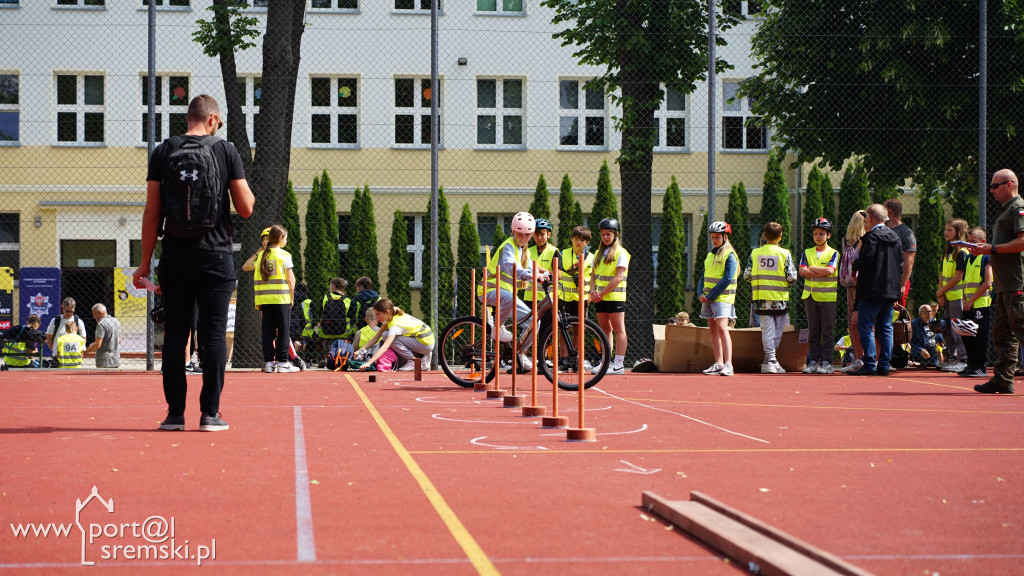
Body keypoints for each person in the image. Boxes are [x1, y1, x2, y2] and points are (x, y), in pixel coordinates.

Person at [133, 94, 256, 432]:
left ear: (189, 118)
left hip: (174, 256)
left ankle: (174, 415)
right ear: (214, 119)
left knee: (175, 334)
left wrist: (145, 263)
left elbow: (152, 212)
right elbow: (246, 208)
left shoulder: (164, 151)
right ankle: (210, 414)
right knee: (213, 335)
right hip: (216, 255)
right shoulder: (225, 150)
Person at [965, 169, 1023, 394]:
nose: (991, 191)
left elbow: (1023, 241)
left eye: (995, 186)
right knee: (1002, 334)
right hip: (1004, 285)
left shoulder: (1018, 208)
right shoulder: (1005, 210)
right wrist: (984, 251)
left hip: (1015, 283)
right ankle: (1003, 379)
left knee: (1020, 329)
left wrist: (993, 249)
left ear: (1009, 185)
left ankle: (1003, 378)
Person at [477, 212, 549, 369]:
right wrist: (530, 276)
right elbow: (512, 268)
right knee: (509, 298)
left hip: (506, 294)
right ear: (513, 231)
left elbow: (530, 266)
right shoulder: (508, 246)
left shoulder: (523, 249)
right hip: (488, 289)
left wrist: (547, 274)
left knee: (533, 322)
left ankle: (520, 354)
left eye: (527, 234)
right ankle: (497, 328)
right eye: (520, 234)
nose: (523, 237)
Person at [850, 204, 904, 376]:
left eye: (866, 219)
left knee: (865, 325)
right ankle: (884, 365)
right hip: (889, 290)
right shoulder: (895, 237)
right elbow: (900, 264)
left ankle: (869, 363)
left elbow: (866, 259)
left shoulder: (871, 237)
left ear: (871, 218)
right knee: (886, 327)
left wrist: (854, 265)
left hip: (871, 289)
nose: (866, 221)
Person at [744, 221, 797, 374]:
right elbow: (792, 277)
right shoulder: (784, 253)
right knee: (778, 331)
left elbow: (747, 275)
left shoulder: (755, 253)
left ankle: (769, 360)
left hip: (761, 298)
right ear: (780, 237)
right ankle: (771, 361)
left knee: (767, 330)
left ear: (765, 236)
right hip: (780, 298)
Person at [253, 224, 299, 373]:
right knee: (284, 330)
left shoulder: (260, 255)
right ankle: (283, 362)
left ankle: (269, 363)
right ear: (280, 238)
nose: (286, 241)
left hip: (264, 299)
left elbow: (249, 268)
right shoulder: (284, 255)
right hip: (281, 298)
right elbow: (291, 279)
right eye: (285, 238)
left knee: (268, 331)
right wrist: (291, 296)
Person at [589, 218, 630, 375]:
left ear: (616, 234)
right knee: (605, 330)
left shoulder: (621, 253)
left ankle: (618, 364)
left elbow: (618, 277)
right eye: (603, 234)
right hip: (600, 298)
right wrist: (593, 290)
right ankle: (605, 362)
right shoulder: (598, 253)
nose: (606, 237)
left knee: (619, 329)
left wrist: (601, 293)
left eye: (609, 234)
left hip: (615, 298)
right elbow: (593, 275)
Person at [800, 218, 840, 374]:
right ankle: (813, 363)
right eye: (816, 233)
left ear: (828, 235)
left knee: (827, 331)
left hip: (827, 298)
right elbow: (802, 271)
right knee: (814, 331)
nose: (818, 236)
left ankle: (827, 363)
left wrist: (811, 268)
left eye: (822, 234)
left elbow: (830, 271)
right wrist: (819, 272)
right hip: (810, 297)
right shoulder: (807, 252)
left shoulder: (833, 253)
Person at [699, 221, 738, 376]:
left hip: (723, 298)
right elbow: (703, 276)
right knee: (713, 329)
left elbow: (727, 278)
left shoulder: (730, 255)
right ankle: (719, 363)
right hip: (708, 298)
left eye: (717, 237)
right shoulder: (710, 255)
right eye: (713, 237)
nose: (714, 240)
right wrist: (700, 293)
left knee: (722, 327)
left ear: (725, 237)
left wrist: (711, 295)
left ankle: (729, 364)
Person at [354, 298, 435, 372]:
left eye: (378, 314)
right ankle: (425, 357)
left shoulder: (395, 326)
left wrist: (369, 363)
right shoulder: (393, 313)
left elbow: (385, 347)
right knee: (385, 334)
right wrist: (361, 349)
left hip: (425, 344)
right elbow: (376, 337)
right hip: (426, 340)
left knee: (386, 336)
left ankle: (414, 361)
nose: (376, 317)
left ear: (387, 312)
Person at [936, 218, 970, 372]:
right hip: (947, 296)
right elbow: (942, 274)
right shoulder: (947, 250)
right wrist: (941, 294)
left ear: (959, 232)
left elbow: (958, 277)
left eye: (950, 230)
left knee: (958, 327)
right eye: (945, 229)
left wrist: (941, 291)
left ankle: (963, 359)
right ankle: (952, 356)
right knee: (946, 328)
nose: (946, 233)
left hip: (957, 296)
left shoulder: (962, 252)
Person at [958, 226, 993, 378]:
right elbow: (965, 281)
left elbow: (987, 283)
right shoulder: (967, 258)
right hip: (968, 304)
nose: (971, 246)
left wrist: (971, 300)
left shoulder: (986, 258)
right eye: (969, 242)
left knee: (980, 336)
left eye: (974, 243)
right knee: (965, 334)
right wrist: (965, 300)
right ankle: (971, 364)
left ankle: (980, 366)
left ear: (983, 242)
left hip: (980, 304)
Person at [839, 211, 868, 374]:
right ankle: (869, 358)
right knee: (867, 323)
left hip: (850, 285)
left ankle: (858, 357)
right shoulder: (864, 241)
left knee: (853, 322)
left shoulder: (846, 241)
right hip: (863, 284)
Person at [885, 198, 917, 308]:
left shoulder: (906, 233)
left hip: (898, 281)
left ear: (889, 211)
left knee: (896, 315)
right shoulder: (883, 229)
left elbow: (909, 261)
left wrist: (902, 284)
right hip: (884, 280)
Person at [45, 297, 87, 368]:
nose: (69, 313)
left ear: (74, 309)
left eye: (71, 311)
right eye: (67, 311)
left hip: (74, 359)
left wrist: (81, 354)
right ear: (62, 308)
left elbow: (83, 339)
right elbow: (48, 339)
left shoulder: (78, 322)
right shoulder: (55, 321)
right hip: (58, 358)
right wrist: (56, 350)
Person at [84, 303, 120, 368]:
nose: (93, 317)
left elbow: (98, 344)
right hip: (116, 358)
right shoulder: (116, 321)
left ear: (100, 313)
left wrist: (85, 351)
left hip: (104, 360)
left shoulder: (101, 324)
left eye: (94, 314)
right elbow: (119, 339)